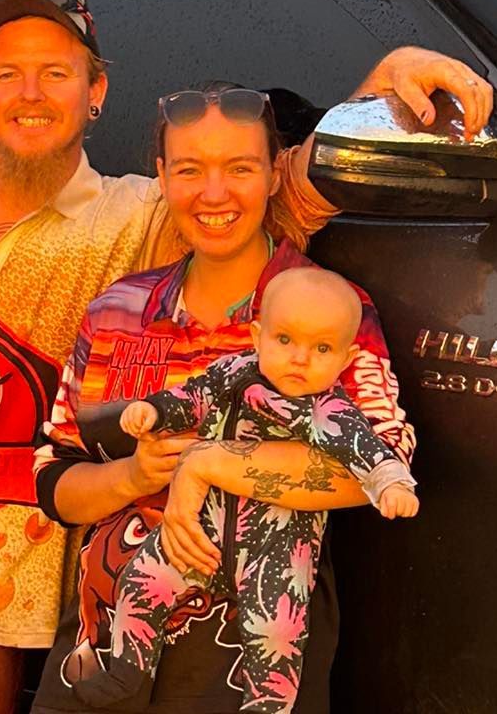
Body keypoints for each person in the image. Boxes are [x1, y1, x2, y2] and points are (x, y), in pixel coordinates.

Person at [0, 0, 492, 713]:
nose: (30, 94)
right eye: (8, 74)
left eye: (56, 72)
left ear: (97, 93)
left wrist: (377, 95)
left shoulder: (134, 220)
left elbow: (270, 191)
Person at [31, 84, 418, 714]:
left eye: (239, 168)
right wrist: (131, 474)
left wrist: (210, 464)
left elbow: (374, 467)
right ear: (161, 177)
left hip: (245, 655)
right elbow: (56, 478)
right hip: (103, 648)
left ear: (274, 174)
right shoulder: (117, 311)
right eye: (189, 169)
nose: (214, 194)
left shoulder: (327, 312)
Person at [74, 267, 418, 714]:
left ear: (346, 359)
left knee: (278, 634)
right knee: (143, 580)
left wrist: (391, 484)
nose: (300, 358)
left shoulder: (328, 410)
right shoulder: (235, 372)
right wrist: (153, 411)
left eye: (322, 348)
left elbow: (366, 450)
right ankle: (125, 666)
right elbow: (192, 397)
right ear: (258, 335)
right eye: (285, 340)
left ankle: (267, 705)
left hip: (276, 547)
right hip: (203, 531)